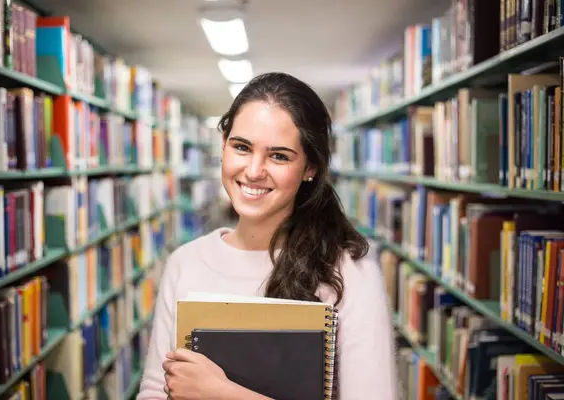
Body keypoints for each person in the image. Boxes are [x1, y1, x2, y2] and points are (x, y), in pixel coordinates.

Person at [137, 72, 398, 399]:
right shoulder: (184, 263)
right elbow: (154, 390)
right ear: (223, 146)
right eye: (242, 147)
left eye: (279, 156)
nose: (254, 171)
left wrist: (221, 393)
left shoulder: (349, 271)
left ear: (309, 168)